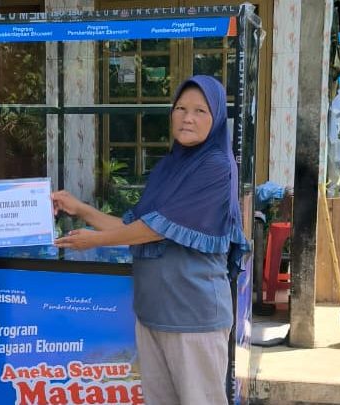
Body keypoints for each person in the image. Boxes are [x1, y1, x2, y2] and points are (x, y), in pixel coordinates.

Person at [53, 75, 248, 405]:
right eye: (181, 108)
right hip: (153, 314)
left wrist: (95, 241)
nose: (187, 118)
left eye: (200, 111)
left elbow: (157, 229)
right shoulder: (168, 167)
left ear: (216, 118)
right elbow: (131, 226)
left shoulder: (216, 167)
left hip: (193, 318)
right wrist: (80, 208)